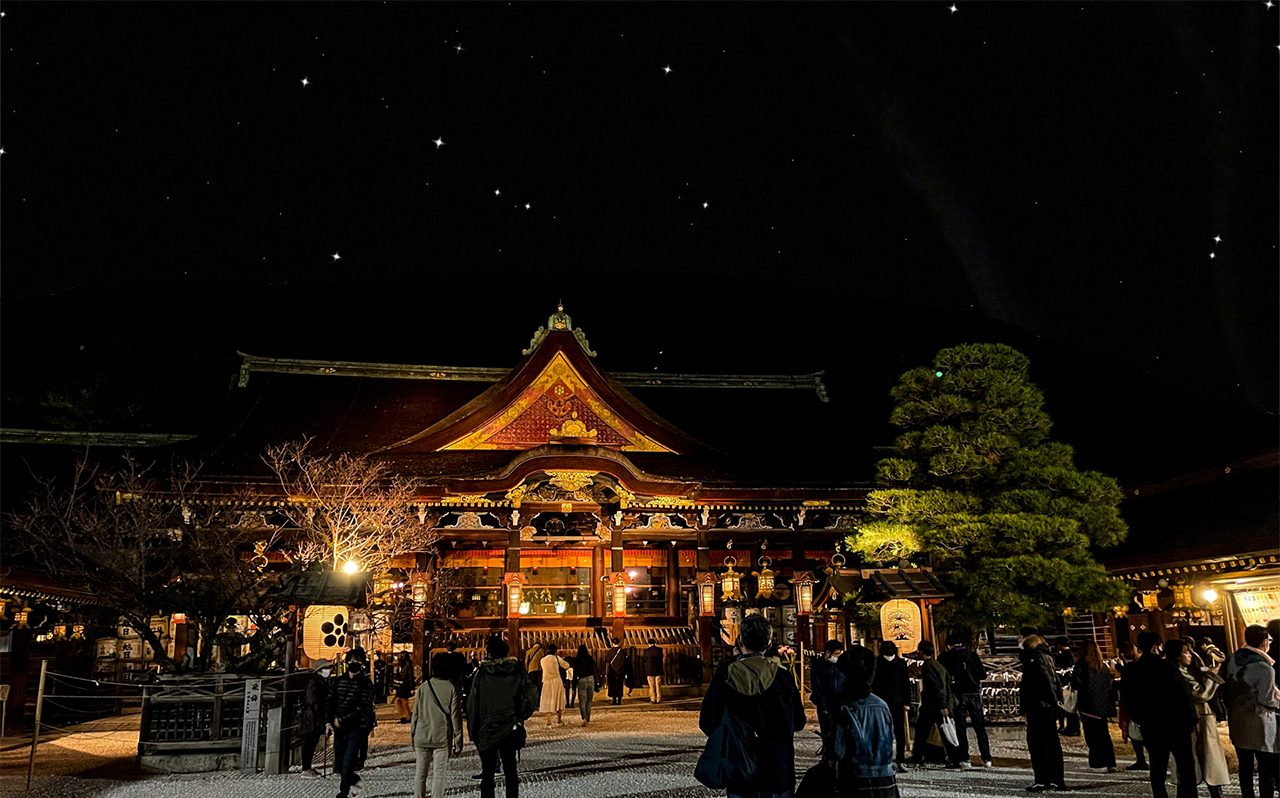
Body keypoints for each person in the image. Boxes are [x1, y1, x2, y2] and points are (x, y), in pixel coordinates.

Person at [699, 613, 806, 798]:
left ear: (740, 642)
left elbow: (707, 723)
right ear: (769, 644)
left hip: (740, 769)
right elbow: (799, 722)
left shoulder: (726, 676)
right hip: (778, 771)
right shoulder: (783, 677)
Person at [1124, 632, 1199, 798]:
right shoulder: (1167, 666)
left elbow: (1128, 699)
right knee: (1186, 767)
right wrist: (1191, 720)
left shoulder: (1132, 669)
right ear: (1155, 647)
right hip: (1177, 725)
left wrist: (1139, 719)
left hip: (1151, 725)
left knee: (1157, 768)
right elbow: (1183, 695)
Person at [467, 636, 538, 798]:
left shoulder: (482, 674)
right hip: (510, 726)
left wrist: (473, 730)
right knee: (510, 770)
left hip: (487, 726)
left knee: (488, 772)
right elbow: (530, 695)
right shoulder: (517, 671)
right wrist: (521, 715)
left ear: (489, 653)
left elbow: (473, 704)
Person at [831, 644, 899, 798]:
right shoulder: (882, 705)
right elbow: (890, 737)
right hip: (885, 775)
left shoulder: (845, 707)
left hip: (855, 777)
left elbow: (837, 750)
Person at [1166, 639, 1229, 798]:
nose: (1190, 655)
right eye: (1186, 652)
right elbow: (1201, 694)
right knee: (1203, 756)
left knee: (1208, 757)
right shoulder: (1179, 674)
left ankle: (1212, 790)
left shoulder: (1190, 670)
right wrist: (1212, 676)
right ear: (1177, 656)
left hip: (1201, 718)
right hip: (1195, 718)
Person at [1226, 624, 1279, 798]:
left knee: (1245, 767)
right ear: (1264, 642)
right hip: (1259, 722)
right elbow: (1267, 699)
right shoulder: (1265, 668)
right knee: (1266, 768)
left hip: (1237, 719)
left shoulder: (1234, 659)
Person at [411, 652, 464, 798]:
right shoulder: (452, 689)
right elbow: (456, 718)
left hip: (422, 735)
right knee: (439, 775)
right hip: (442, 737)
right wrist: (458, 741)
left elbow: (415, 714)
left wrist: (413, 735)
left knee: (420, 773)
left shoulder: (423, 687)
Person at [327, 647, 377, 798]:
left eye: (357, 661)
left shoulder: (366, 684)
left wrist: (342, 720)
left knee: (348, 762)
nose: (354, 663)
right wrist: (328, 721)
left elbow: (363, 707)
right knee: (339, 765)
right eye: (351, 660)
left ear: (362, 664)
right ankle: (355, 780)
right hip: (339, 729)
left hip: (356, 728)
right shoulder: (338, 681)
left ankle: (343, 793)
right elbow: (330, 701)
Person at [938, 631, 992, 769]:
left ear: (949, 645)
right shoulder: (972, 655)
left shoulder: (947, 657)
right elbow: (982, 675)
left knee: (960, 727)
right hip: (974, 693)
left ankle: (965, 758)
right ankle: (986, 758)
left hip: (958, 694)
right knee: (979, 726)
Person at [1019, 634, 1066, 792]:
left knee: (1038, 744)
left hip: (1039, 706)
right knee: (1052, 743)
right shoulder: (1047, 656)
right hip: (1046, 706)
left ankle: (1043, 779)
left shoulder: (1035, 658)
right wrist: (1058, 699)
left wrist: (1053, 699)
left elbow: (1044, 681)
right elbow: (1055, 680)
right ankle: (1056, 779)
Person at [905, 639, 960, 768]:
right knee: (943, 730)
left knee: (922, 730)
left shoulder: (928, 667)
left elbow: (937, 687)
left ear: (921, 651)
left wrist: (942, 705)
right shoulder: (937, 665)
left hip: (933, 705)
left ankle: (918, 756)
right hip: (937, 704)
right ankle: (955, 757)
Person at [1071, 640, 1118, 772]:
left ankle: (1098, 763)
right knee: (1104, 734)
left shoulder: (1082, 665)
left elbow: (1076, 684)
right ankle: (1110, 762)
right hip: (1102, 705)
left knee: (1092, 735)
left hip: (1088, 705)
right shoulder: (1102, 666)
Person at [871, 640, 912, 772]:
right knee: (897, 732)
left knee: (888, 731)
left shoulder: (878, 662)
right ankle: (897, 759)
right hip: (893, 701)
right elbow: (905, 684)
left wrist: (906, 702)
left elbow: (905, 684)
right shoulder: (899, 663)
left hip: (886, 701)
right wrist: (906, 702)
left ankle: (891, 759)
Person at [1116, 639, 1150, 771]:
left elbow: (1127, 686)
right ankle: (1143, 760)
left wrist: (1115, 684)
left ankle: (1142, 760)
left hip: (1133, 704)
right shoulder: (1138, 665)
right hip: (1140, 703)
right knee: (1139, 733)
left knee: (1136, 733)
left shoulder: (1130, 668)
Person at [298, 659, 330, 779]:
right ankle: (305, 768)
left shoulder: (321, 681)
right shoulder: (314, 682)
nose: (329, 670)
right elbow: (312, 700)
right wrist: (321, 711)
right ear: (320, 670)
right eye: (326, 668)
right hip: (312, 717)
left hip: (315, 716)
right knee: (310, 743)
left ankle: (308, 767)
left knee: (312, 742)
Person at [811, 639, 846, 745]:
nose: (837, 657)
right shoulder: (818, 665)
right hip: (825, 703)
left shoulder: (841, 664)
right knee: (827, 733)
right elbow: (816, 687)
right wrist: (822, 706)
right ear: (828, 652)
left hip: (840, 703)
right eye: (836, 654)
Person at [538, 643, 572, 726]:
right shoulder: (556, 658)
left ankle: (548, 721)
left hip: (546, 681)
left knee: (547, 700)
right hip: (556, 681)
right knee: (558, 700)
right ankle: (559, 720)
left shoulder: (542, 660)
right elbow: (567, 666)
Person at [1053, 637, 1080, 737]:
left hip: (1066, 685)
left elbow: (1063, 671)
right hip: (1069, 684)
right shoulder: (1071, 655)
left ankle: (1071, 728)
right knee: (1070, 707)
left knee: (1067, 707)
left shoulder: (1064, 656)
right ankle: (1071, 727)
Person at [572, 644, 597, 726]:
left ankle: (584, 718)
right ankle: (588, 717)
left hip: (581, 679)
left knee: (582, 700)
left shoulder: (577, 661)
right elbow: (595, 670)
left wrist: (573, 688)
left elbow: (575, 674)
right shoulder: (590, 659)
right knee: (589, 700)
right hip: (590, 679)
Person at [395, 651, 416, 724]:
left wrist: (412, 688)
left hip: (405, 685)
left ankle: (407, 716)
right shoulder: (399, 665)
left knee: (404, 701)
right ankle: (403, 716)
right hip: (400, 685)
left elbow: (410, 676)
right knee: (398, 701)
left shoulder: (408, 665)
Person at [607, 637, 627, 705]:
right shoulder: (622, 652)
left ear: (612, 643)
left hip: (612, 671)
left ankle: (614, 700)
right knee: (620, 685)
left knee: (613, 685)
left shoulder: (610, 652)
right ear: (619, 643)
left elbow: (607, 660)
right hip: (620, 671)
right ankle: (619, 700)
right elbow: (624, 661)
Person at [644, 638, 665, 704]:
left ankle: (653, 699)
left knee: (651, 685)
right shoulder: (659, 650)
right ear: (654, 643)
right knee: (658, 685)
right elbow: (661, 658)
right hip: (658, 669)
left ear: (648, 643)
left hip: (650, 670)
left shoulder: (646, 651)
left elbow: (645, 659)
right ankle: (658, 699)